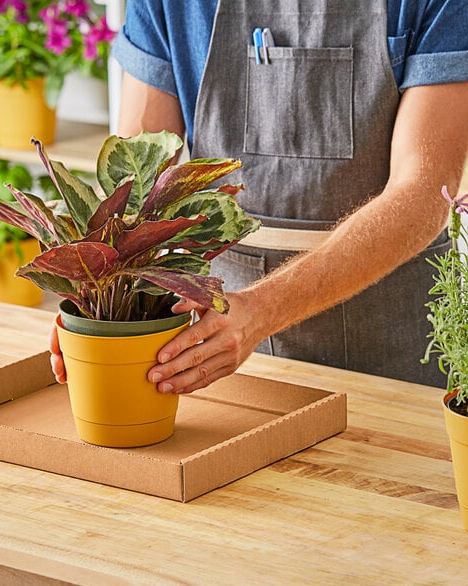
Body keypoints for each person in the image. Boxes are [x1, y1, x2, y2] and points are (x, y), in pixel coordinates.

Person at [50, 0, 468, 394]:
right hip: (214, 341)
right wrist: (99, 301)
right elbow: (136, 174)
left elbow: (424, 192)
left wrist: (261, 310)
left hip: (386, 337)